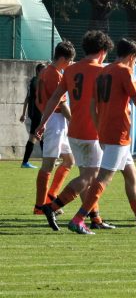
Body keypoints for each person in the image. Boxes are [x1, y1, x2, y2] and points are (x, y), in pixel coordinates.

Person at [65, 38, 136, 234]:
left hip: (108, 132)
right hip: (118, 132)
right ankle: (79, 219)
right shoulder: (125, 71)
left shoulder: (104, 71)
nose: (135, 63)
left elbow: (92, 105)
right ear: (132, 56)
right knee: (103, 178)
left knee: (131, 176)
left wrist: (99, 128)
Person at [36, 30, 115, 231]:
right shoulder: (102, 71)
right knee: (90, 177)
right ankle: (52, 206)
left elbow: (54, 98)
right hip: (92, 130)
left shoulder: (70, 71)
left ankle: (95, 218)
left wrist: (42, 122)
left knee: (85, 176)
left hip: (74, 131)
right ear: (102, 51)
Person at [33, 41, 76, 215]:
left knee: (69, 161)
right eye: (70, 60)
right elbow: (62, 103)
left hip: (54, 120)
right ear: (63, 58)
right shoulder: (55, 74)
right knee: (48, 165)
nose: (71, 64)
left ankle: (51, 198)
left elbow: (38, 99)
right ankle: (39, 207)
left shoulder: (44, 72)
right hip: (55, 121)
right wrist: (74, 121)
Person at [19, 63, 45, 169]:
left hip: (35, 113)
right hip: (36, 113)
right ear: (38, 71)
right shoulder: (37, 82)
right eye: (43, 70)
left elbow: (26, 99)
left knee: (40, 136)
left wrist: (23, 114)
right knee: (35, 137)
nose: (45, 72)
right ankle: (25, 162)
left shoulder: (33, 81)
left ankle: (47, 159)